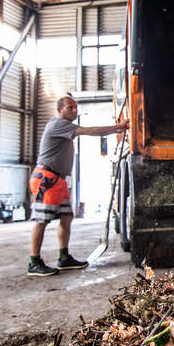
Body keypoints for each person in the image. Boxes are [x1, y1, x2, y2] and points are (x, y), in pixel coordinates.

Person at [28, 95, 128, 276]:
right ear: (59, 110)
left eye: (75, 107)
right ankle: (34, 262)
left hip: (57, 180)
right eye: (70, 108)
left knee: (66, 217)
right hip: (46, 179)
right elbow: (90, 131)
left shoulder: (63, 126)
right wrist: (118, 128)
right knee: (41, 220)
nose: (74, 111)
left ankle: (64, 258)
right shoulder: (58, 124)